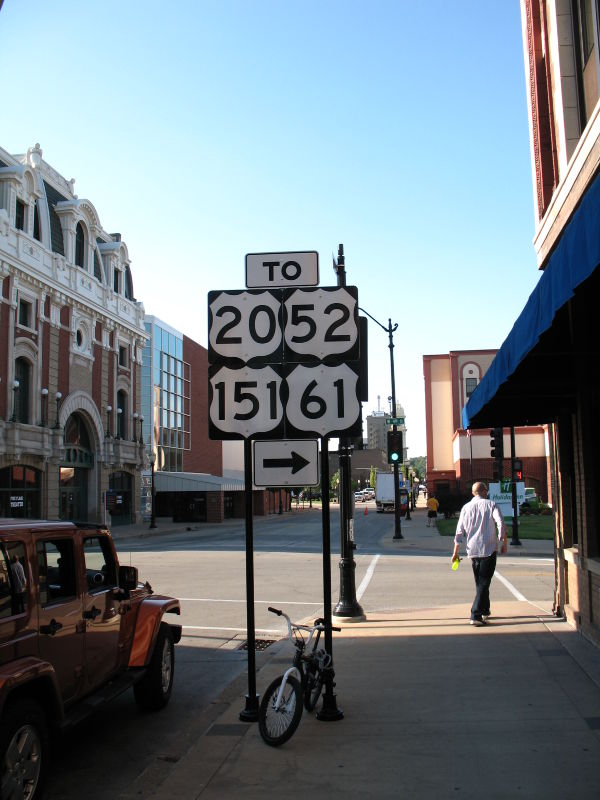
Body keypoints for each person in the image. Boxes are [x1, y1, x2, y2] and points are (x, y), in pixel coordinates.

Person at [452, 481, 507, 626]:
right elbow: (501, 523)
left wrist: (455, 552)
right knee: (484, 582)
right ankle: (475, 614)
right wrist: (503, 542)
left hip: (473, 550)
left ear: (472, 493)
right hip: (489, 549)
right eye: (486, 490)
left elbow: (459, 530)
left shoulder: (466, 508)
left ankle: (485, 609)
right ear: (484, 491)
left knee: (480, 582)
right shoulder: (491, 504)